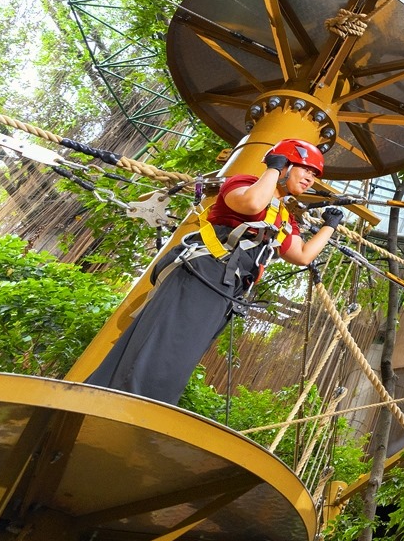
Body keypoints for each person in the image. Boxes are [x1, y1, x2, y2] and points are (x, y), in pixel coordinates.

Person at [87, 138, 345, 404]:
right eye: (305, 169)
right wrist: (273, 169)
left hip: (227, 288)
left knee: (182, 354)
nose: (310, 179)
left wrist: (329, 226)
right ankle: (120, 401)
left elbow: (302, 255)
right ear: (284, 165)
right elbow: (253, 205)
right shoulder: (243, 183)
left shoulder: (284, 217)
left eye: (314, 175)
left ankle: (145, 406)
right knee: (163, 345)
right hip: (203, 270)